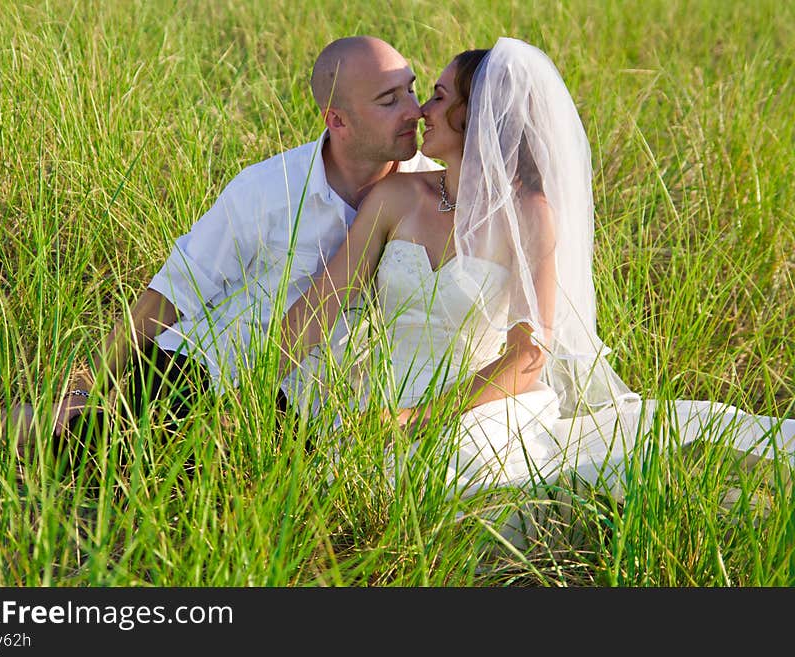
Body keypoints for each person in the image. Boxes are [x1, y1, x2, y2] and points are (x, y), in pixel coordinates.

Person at [278, 37, 795, 516]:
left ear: (476, 115)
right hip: (378, 402)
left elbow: (528, 356)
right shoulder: (396, 197)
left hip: (477, 403)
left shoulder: (528, 213)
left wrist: (417, 420)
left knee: (468, 484)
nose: (422, 112)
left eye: (437, 97)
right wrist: (248, 388)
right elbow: (323, 303)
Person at [9, 35, 441, 460]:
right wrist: (86, 387)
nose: (414, 111)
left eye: (412, 88)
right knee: (90, 452)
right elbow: (173, 292)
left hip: (322, 406)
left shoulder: (433, 195)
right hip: (206, 377)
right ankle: (8, 426)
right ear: (338, 121)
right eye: (388, 101)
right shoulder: (269, 188)